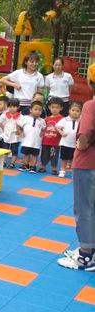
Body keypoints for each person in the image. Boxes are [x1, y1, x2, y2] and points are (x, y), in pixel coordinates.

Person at [57, 93, 94, 272]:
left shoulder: (90, 105)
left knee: (85, 208)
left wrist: (80, 146)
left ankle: (86, 256)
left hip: (88, 163)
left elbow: (85, 136)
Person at [18, 100, 45, 172]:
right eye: (35, 109)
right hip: (26, 140)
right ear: (30, 110)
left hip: (36, 141)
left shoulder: (42, 121)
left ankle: (33, 166)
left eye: (40, 110)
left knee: (34, 155)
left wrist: (42, 133)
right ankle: (25, 165)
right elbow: (18, 125)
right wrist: (21, 132)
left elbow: (44, 129)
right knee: (26, 154)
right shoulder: (25, 118)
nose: (37, 111)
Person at [56, 102, 81, 178]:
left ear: (80, 113)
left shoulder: (80, 121)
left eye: (77, 111)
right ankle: (63, 170)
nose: (75, 112)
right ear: (69, 110)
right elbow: (57, 126)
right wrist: (61, 132)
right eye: (73, 110)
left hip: (75, 144)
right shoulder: (65, 120)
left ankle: (74, 172)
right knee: (64, 158)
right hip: (65, 143)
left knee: (75, 159)